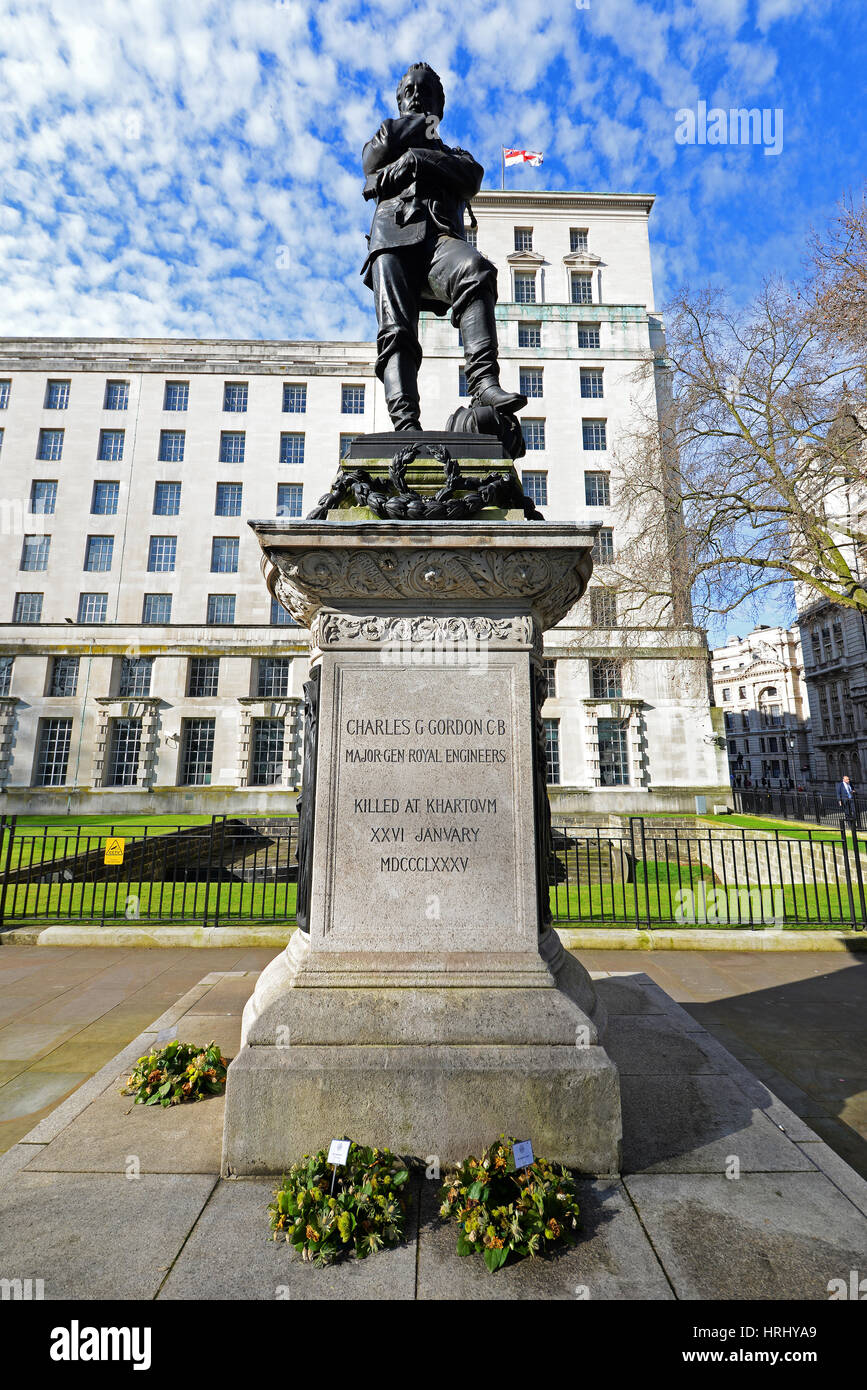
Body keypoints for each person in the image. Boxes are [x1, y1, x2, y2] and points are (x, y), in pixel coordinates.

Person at [361, 62, 527, 431]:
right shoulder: (388, 134)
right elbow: (372, 158)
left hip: (439, 241)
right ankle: (405, 423)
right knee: (396, 331)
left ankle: (483, 383)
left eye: (424, 91)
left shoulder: (456, 155)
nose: (416, 95)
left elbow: (472, 177)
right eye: (409, 91)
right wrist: (418, 126)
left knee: (476, 269)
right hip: (392, 239)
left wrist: (417, 158)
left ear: (441, 104)